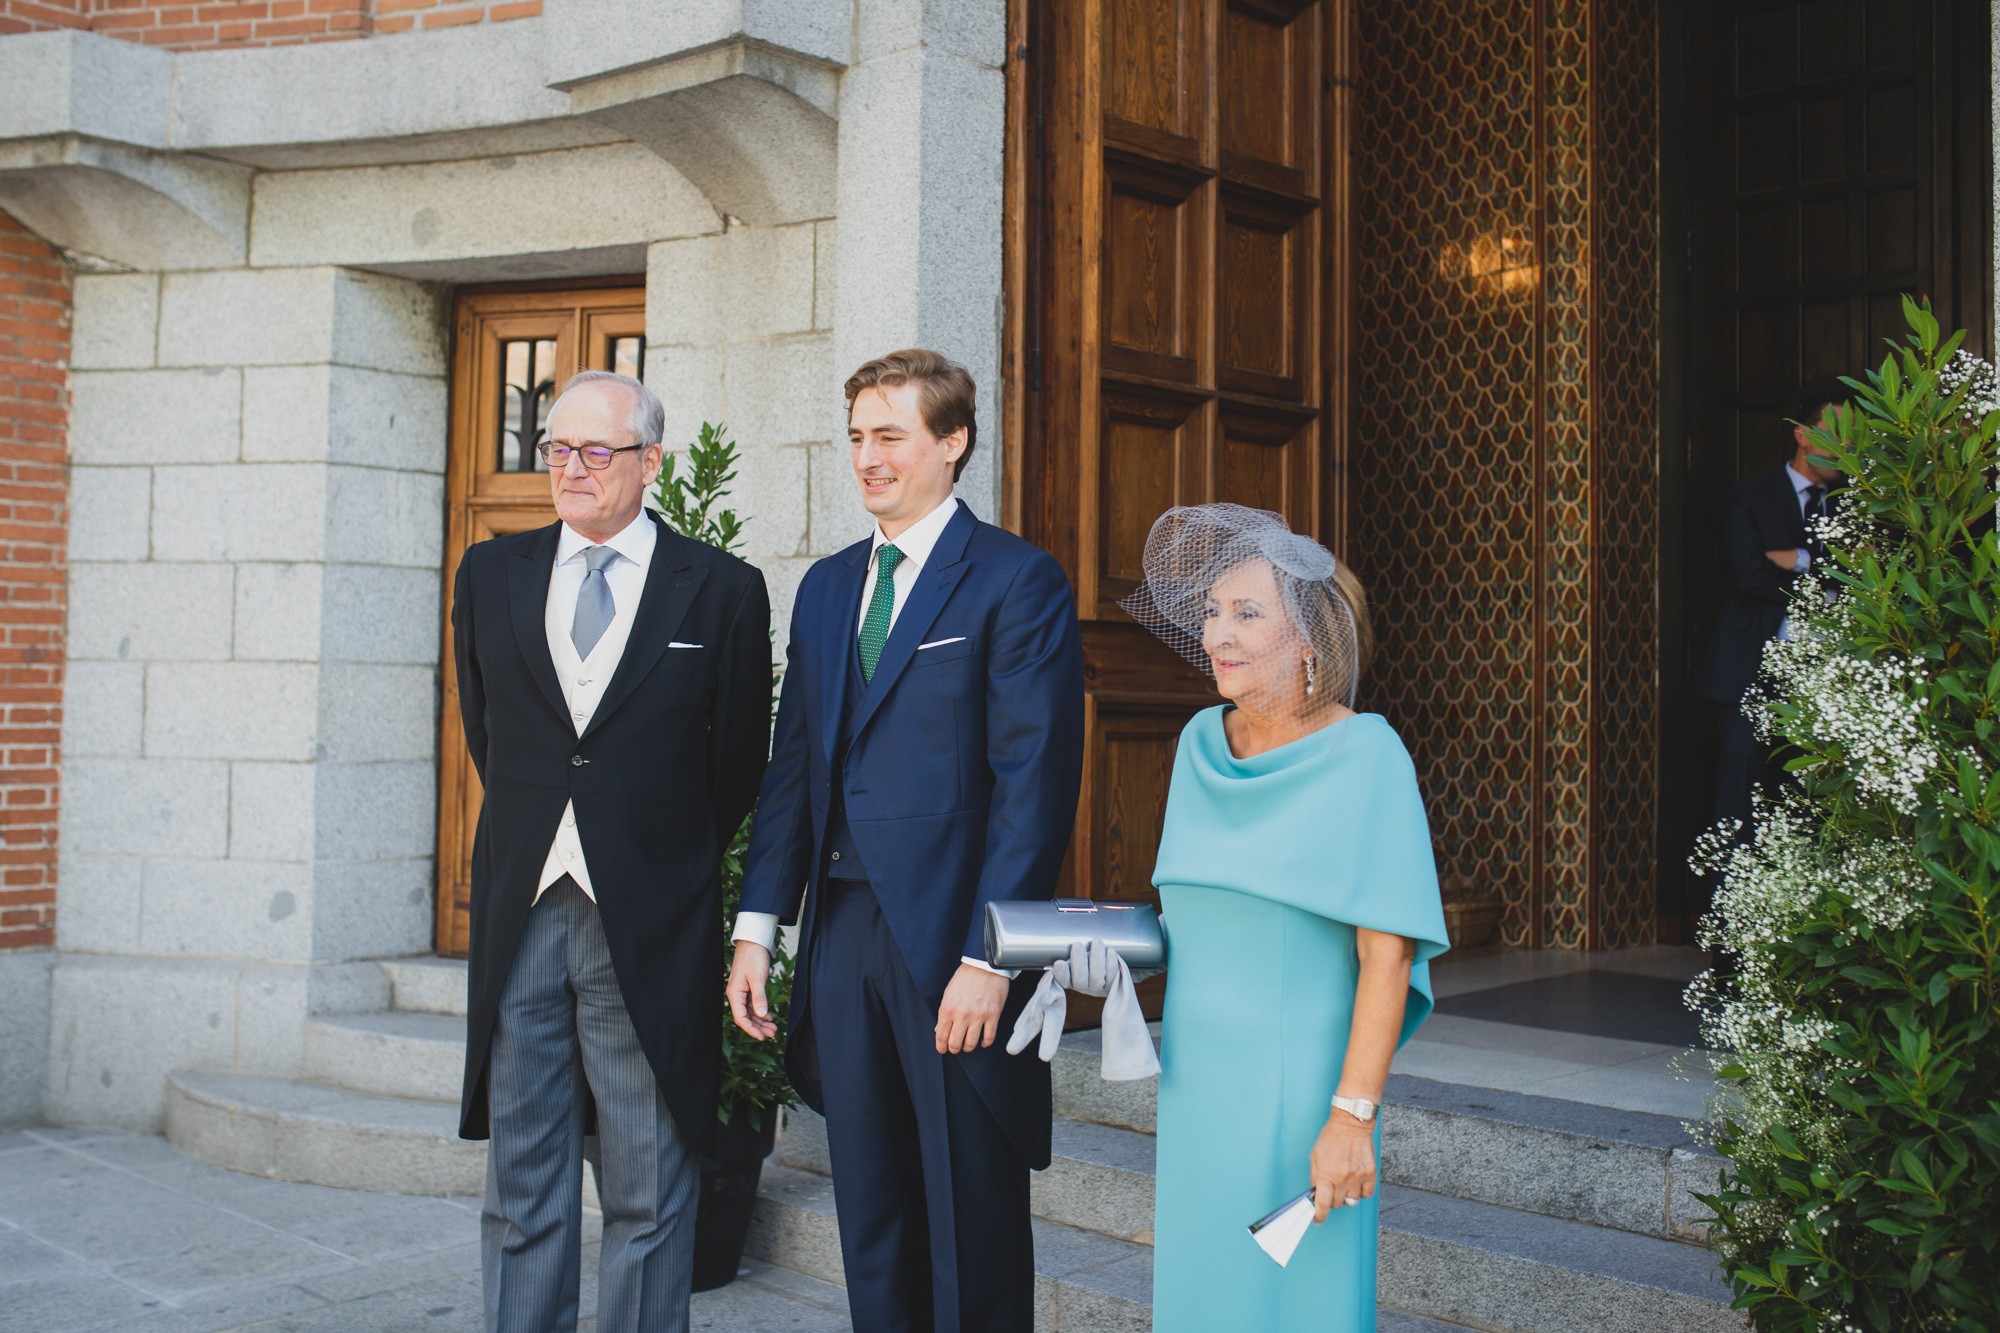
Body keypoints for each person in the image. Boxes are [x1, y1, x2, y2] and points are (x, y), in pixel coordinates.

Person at [725, 349, 1084, 1332]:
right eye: (856, 436)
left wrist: (989, 958)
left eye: (890, 435)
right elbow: (793, 768)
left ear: (952, 441)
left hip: (951, 947)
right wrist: (757, 928)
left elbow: (1033, 789)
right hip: (841, 939)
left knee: (970, 1221)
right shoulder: (828, 586)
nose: (867, 457)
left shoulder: (1016, 580)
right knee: (872, 1213)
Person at [450, 370, 773, 1333]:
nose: (572, 468)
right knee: (523, 1178)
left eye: (597, 450)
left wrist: (647, 856)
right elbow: (490, 734)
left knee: (649, 1181)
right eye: (558, 447)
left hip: (649, 917)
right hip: (524, 908)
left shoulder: (720, 589)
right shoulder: (490, 574)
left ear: (651, 461)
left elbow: (735, 767)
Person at [1121, 504, 1450, 1332]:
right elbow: (1198, 921)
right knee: (1203, 1298)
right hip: (1197, 1088)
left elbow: (1387, 959)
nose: (1216, 634)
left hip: (1305, 1092)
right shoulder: (1199, 743)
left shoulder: (1367, 755)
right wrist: (1102, 954)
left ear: (1310, 640)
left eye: (1246, 613)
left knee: (1298, 1307)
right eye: (1211, 611)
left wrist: (1351, 1117)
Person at [1694, 403, 1843, 836]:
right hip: (1748, 664)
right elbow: (1747, 574)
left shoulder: (1855, 506)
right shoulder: (1749, 495)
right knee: (1742, 776)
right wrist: (1826, 582)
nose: (1844, 449)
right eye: (1835, 435)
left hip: (1822, 674)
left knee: (1811, 787)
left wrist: (1801, 559)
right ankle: (1732, 877)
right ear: (1803, 435)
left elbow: (1863, 576)